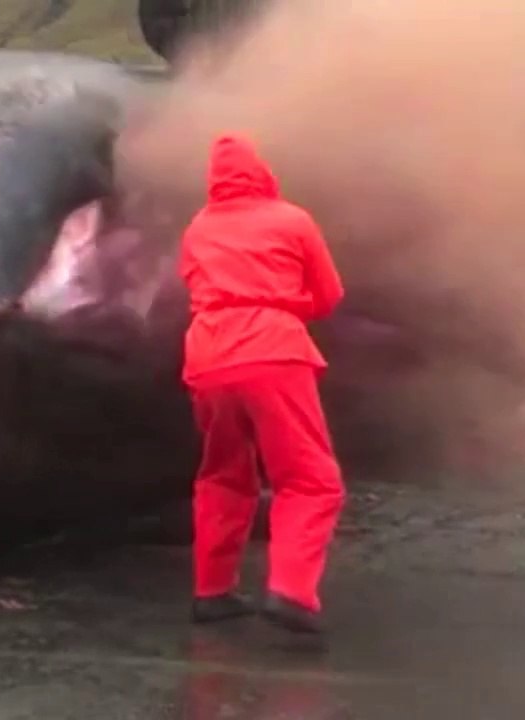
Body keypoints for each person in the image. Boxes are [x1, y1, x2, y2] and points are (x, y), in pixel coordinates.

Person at [178, 132, 347, 635]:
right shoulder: (291, 219)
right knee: (309, 479)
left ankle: (212, 592)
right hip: (272, 352)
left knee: (223, 475)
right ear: (262, 172)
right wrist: (287, 308)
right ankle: (292, 592)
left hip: (207, 355)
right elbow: (329, 294)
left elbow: (194, 285)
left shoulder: (198, 228)